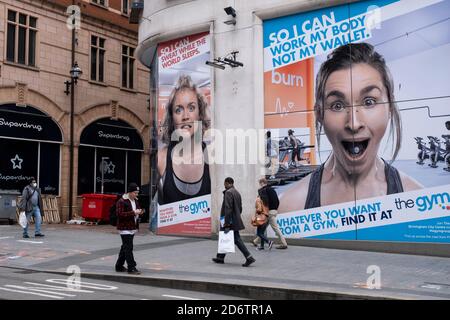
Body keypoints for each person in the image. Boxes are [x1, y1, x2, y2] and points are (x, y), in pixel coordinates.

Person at [279, 43, 423, 213]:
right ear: (319, 114)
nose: (354, 123)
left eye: (369, 102)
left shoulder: (418, 200)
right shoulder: (290, 206)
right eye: (337, 105)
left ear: (390, 107)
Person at [157, 75, 211, 206]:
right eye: (178, 110)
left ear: (200, 113)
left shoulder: (212, 157)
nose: (185, 116)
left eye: (191, 108)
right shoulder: (161, 158)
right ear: (172, 117)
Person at [212, 177, 255, 267]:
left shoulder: (228, 193)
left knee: (237, 240)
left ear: (228, 183)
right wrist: (236, 217)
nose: (224, 185)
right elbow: (240, 208)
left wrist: (227, 224)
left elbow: (228, 209)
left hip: (229, 221)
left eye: (224, 184)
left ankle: (249, 257)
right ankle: (220, 257)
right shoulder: (237, 192)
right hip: (234, 220)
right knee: (226, 238)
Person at [115, 183, 143, 275]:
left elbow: (138, 209)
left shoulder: (135, 201)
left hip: (132, 227)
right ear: (130, 192)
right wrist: (133, 212)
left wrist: (140, 211)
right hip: (124, 228)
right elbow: (119, 214)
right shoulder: (122, 201)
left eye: (137, 193)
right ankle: (131, 267)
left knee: (125, 247)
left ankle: (119, 266)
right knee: (128, 247)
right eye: (135, 192)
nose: (136, 194)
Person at [252, 178, 288, 249]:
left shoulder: (264, 190)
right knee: (263, 228)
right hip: (274, 211)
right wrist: (275, 209)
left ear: (262, 183)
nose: (259, 185)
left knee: (275, 228)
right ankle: (255, 241)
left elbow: (264, 202)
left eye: (260, 183)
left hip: (269, 212)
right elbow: (277, 201)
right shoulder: (272, 190)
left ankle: (284, 244)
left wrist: (266, 210)